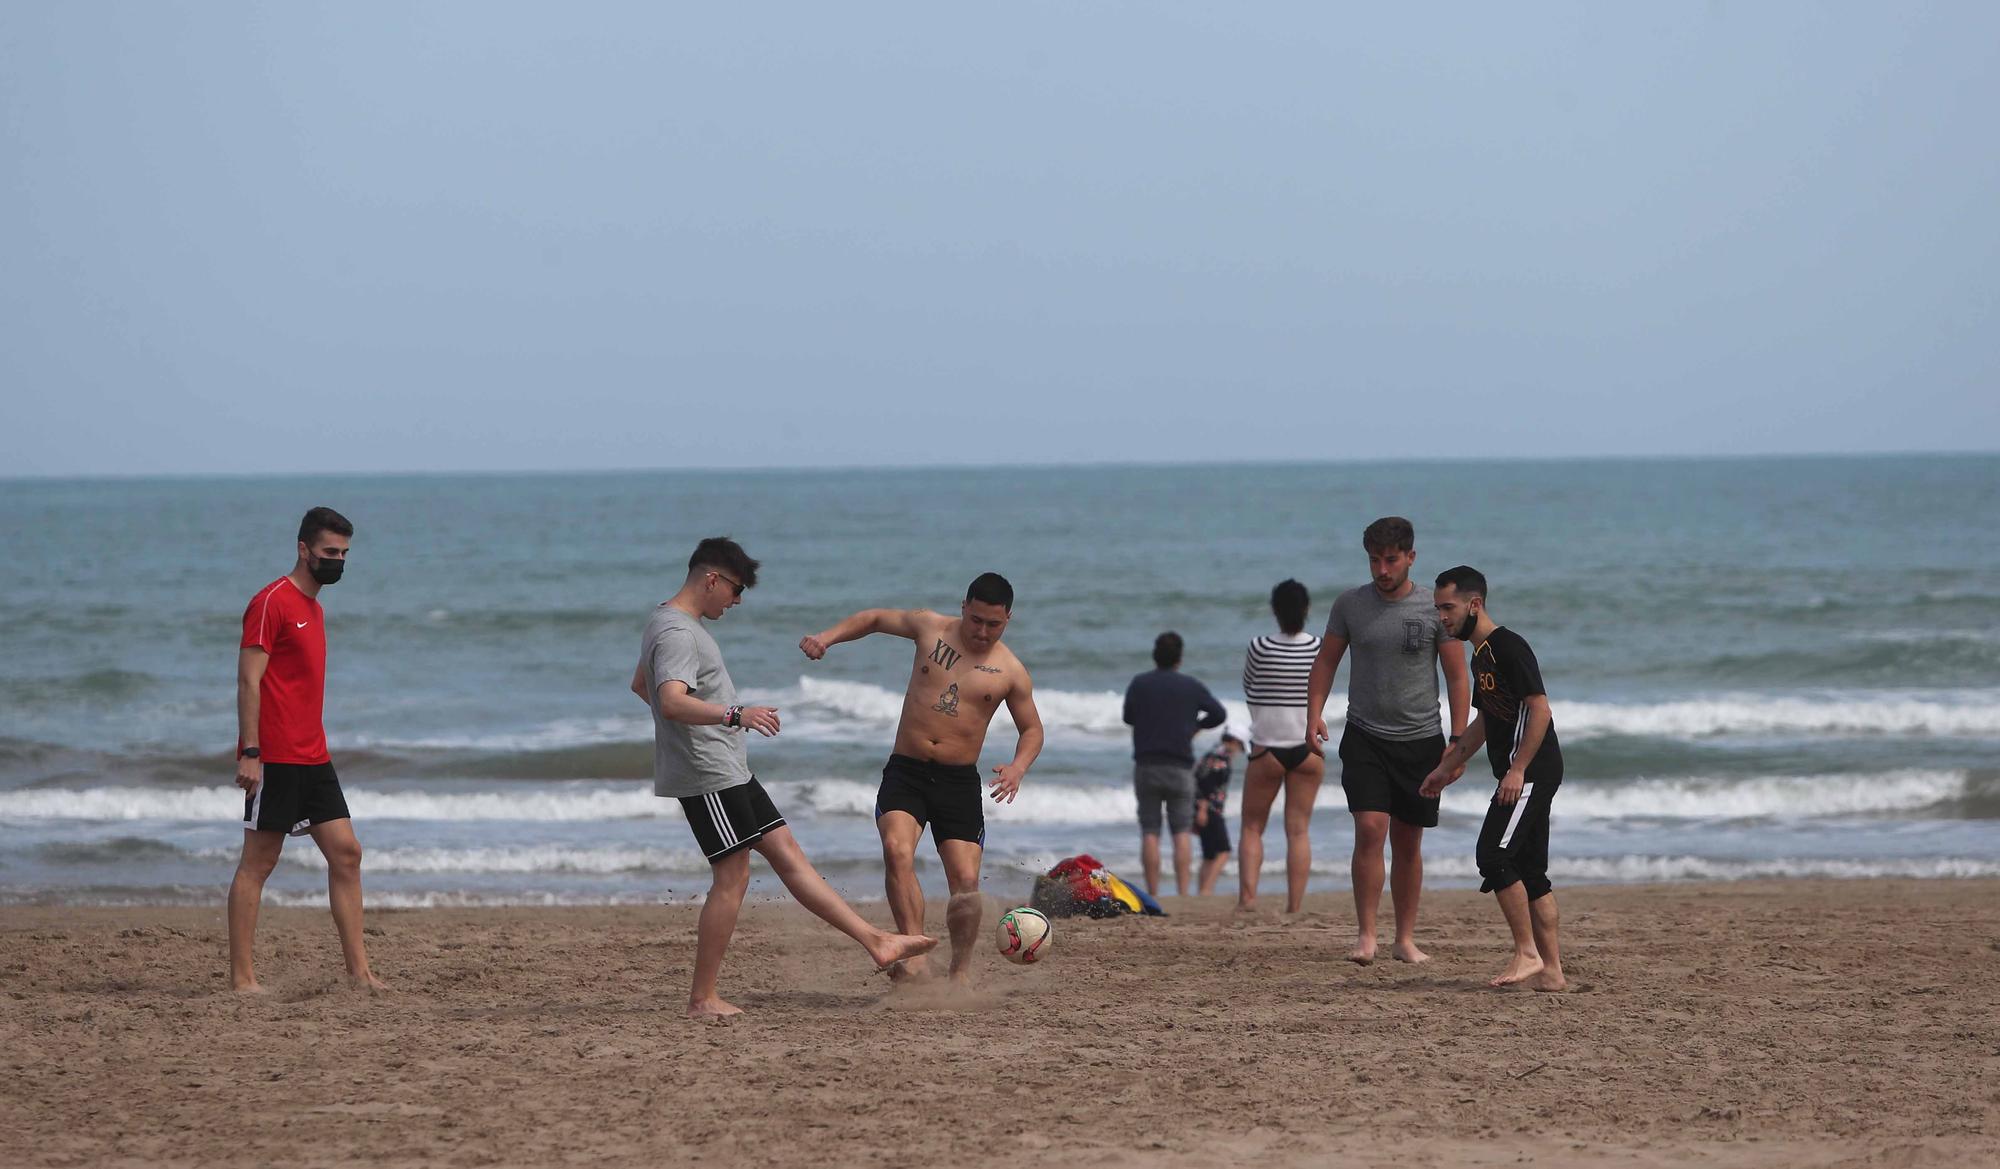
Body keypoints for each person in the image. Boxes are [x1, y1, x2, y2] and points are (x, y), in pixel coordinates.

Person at [633, 538, 937, 1018]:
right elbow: (669, 699)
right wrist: (733, 716)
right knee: (732, 879)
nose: (736, 602)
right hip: (710, 775)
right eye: (735, 591)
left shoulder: (666, 622)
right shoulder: (678, 633)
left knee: (788, 854)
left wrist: (696, 732)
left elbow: (641, 686)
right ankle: (702, 998)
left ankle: (876, 940)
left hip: (726, 767)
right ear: (711, 578)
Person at [798, 573, 1044, 985]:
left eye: (994, 624)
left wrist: (1018, 767)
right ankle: (912, 954)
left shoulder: (1010, 671)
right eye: (977, 619)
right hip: (907, 771)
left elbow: (1032, 729)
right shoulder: (929, 627)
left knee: (965, 884)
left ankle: (960, 971)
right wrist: (826, 637)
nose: (982, 631)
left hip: (958, 782)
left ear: (1008, 620)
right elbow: (875, 618)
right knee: (897, 852)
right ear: (964, 606)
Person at [227, 506, 385, 992]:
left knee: (347, 854)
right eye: (328, 553)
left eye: (344, 554)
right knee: (259, 863)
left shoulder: (314, 608)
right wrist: (250, 752)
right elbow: (249, 680)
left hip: (314, 755)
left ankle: (359, 974)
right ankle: (242, 979)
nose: (337, 561)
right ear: (303, 550)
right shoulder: (271, 602)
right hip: (274, 757)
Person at [1306, 517, 1470, 965]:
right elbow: (1326, 662)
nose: (1382, 569)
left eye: (1391, 560)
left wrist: (1457, 741)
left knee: (1408, 841)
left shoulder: (1435, 608)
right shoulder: (1350, 605)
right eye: (1375, 560)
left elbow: (1457, 676)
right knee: (1370, 829)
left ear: (1410, 558)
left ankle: (1405, 938)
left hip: (1421, 739)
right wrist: (1313, 713)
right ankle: (1366, 936)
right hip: (1365, 736)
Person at [1421, 566, 1566, 991]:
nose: (1442, 617)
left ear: (1475, 604)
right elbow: (1486, 722)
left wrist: (1518, 769)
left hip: (1533, 770)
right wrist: (1444, 769)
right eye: (1437, 609)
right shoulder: (1481, 654)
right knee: (1531, 871)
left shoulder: (1508, 647)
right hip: (1529, 771)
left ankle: (1527, 953)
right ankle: (1553, 972)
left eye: (1448, 608)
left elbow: (1540, 709)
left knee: (1493, 855)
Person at [1235, 579, 1325, 914]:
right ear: (1307, 609)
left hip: (1267, 747)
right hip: (1307, 746)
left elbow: (1249, 688)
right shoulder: (1317, 646)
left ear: (1274, 610)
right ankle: (1294, 905)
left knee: (1252, 827)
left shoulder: (1259, 646)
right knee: (1298, 830)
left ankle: (1248, 899)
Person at [1122, 632, 1228, 898]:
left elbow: (1128, 717)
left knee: (1150, 830)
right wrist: (1196, 726)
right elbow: (1219, 713)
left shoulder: (1140, 683)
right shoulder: (1190, 686)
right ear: (1179, 659)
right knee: (1181, 830)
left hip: (1147, 764)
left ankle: (1153, 893)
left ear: (1155, 656)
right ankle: (1182, 893)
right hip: (1180, 767)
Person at [1193, 725, 1248, 895]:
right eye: (1239, 746)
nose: (1239, 751)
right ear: (1232, 741)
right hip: (1210, 809)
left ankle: (1202, 889)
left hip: (1203, 807)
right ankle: (1207, 890)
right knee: (1224, 851)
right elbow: (1204, 783)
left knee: (1209, 854)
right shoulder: (1219, 758)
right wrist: (1202, 808)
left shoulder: (1212, 754)